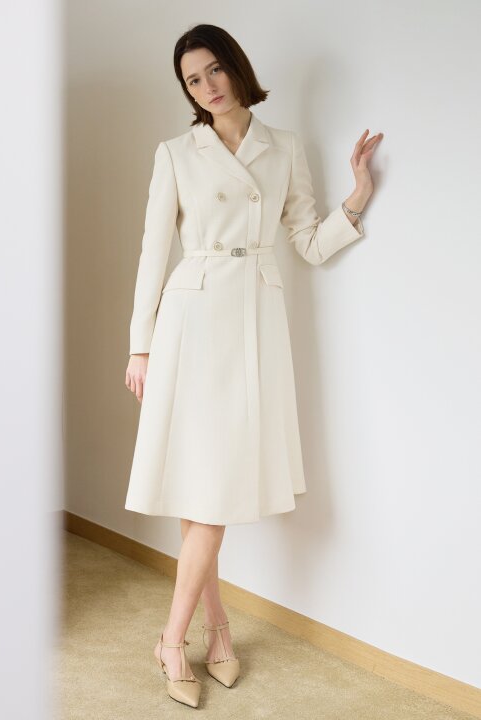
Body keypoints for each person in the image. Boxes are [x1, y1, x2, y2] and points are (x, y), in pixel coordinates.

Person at [124, 23, 383, 708]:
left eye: (215, 70)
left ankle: (212, 630)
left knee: (207, 488)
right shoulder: (175, 153)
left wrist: (357, 194)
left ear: (236, 68)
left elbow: (308, 243)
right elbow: (153, 253)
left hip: (254, 321)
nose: (207, 87)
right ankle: (180, 639)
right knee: (204, 489)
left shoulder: (284, 148)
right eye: (193, 80)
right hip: (192, 316)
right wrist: (139, 345)